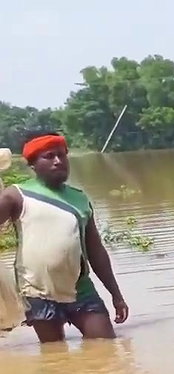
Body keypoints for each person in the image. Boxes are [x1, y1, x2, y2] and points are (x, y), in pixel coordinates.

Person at [0, 131, 128, 342]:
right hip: (38, 292)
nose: (58, 161)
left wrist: (116, 295)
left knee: (105, 344)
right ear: (33, 165)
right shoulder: (16, 195)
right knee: (53, 354)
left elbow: (96, 252)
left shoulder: (79, 199)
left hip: (81, 291)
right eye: (49, 156)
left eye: (62, 155)